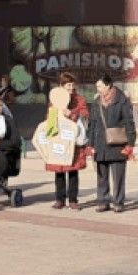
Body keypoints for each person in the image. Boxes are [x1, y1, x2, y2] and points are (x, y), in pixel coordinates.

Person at [43, 72, 89, 210]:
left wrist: (73, 114)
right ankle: (59, 199)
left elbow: (86, 115)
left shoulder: (79, 99)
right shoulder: (54, 100)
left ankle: (73, 199)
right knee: (59, 170)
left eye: (72, 85)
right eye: (68, 85)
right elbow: (49, 118)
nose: (70, 88)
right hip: (58, 140)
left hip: (73, 141)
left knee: (73, 170)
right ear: (61, 86)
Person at [89, 77, 135, 212]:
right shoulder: (97, 102)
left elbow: (129, 122)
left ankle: (118, 202)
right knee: (102, 176)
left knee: (118, 176)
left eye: (100, 86)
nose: (98, 89)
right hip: (100, 144)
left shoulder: (121, 100)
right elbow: (92, 124)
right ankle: (103, 201)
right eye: (97, 87)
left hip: (118, 144)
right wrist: (90, 144)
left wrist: (131, 143)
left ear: (108, 86)